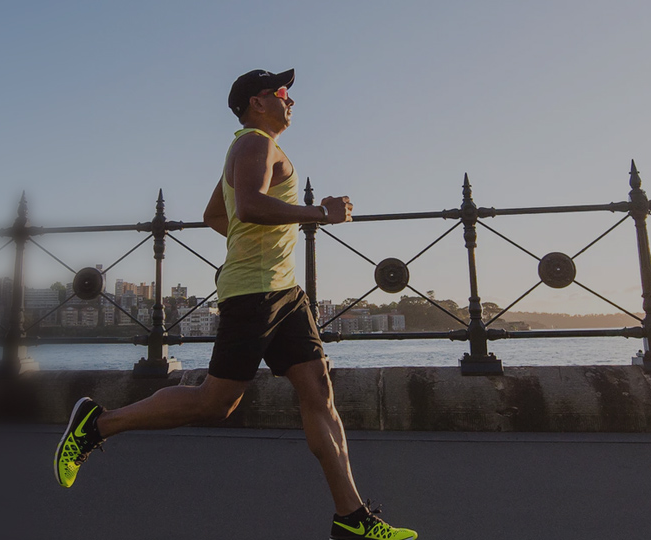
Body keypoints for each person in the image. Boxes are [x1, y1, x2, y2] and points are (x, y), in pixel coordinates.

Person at [54, 68, 418, 540]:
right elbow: (247, 206)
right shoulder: (253, 144)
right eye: (281, 92)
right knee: (215, 403)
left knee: (319, 393)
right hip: (254, 294)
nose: (291, 100)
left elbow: (215, 214)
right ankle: (97, 424)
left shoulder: (255, 147)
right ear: (256, 102)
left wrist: (255, 245)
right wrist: (319, 214)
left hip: (285, 292)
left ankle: (352, 518)